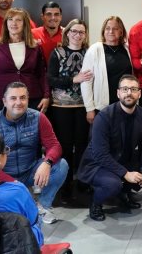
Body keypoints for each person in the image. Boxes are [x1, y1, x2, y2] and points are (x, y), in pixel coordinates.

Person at [77, 75, 142, 222]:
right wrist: (125, 173)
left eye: (133, 89)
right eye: (125, 89)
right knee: (113, 184)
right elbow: (100, 154)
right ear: (118, 93)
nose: (129, 93)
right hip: (98, 164)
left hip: (124, 159)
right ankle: (96, 202)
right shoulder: (104, 116)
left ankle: (124, 193)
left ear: (139, 93)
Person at [0, 81, 68, 224]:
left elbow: (54, 145)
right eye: (13, 98)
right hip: (4, 176)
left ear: (28, 99)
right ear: (4, 101)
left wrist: (47, 163)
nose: (19, 102)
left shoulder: (38, 117)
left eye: (23, 98)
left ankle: (42, 206)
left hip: (30, 171)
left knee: (62, 165)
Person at [47, 19, 93, 201]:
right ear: (67, 33)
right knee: (65, 146)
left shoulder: (89, 53)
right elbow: (51, 79)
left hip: (83, 107)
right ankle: (64, 185)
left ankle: (81, 182)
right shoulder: (57, 53)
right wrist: (74, 79)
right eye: (74, 31)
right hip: (61, 108)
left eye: (81, 32)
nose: (77, 35)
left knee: (82, 146)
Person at [0, 8, 50, 116]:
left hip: (32, 99)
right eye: (10, 19)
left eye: (18, 20)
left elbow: (42, 74)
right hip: (4, 100)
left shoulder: (35, 46)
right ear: (6, 23)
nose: (14, 23)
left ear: (25, 24)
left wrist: (46, 96)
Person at [81, 16, 133, 123]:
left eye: (115, 28)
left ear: (121, 31)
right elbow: (86, 81)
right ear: (103, 31)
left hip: (125, 105)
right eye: (108, 28)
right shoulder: (95, 49)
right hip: (102, 108)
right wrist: (89, 108)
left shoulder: (127, 49)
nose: (111, 31)